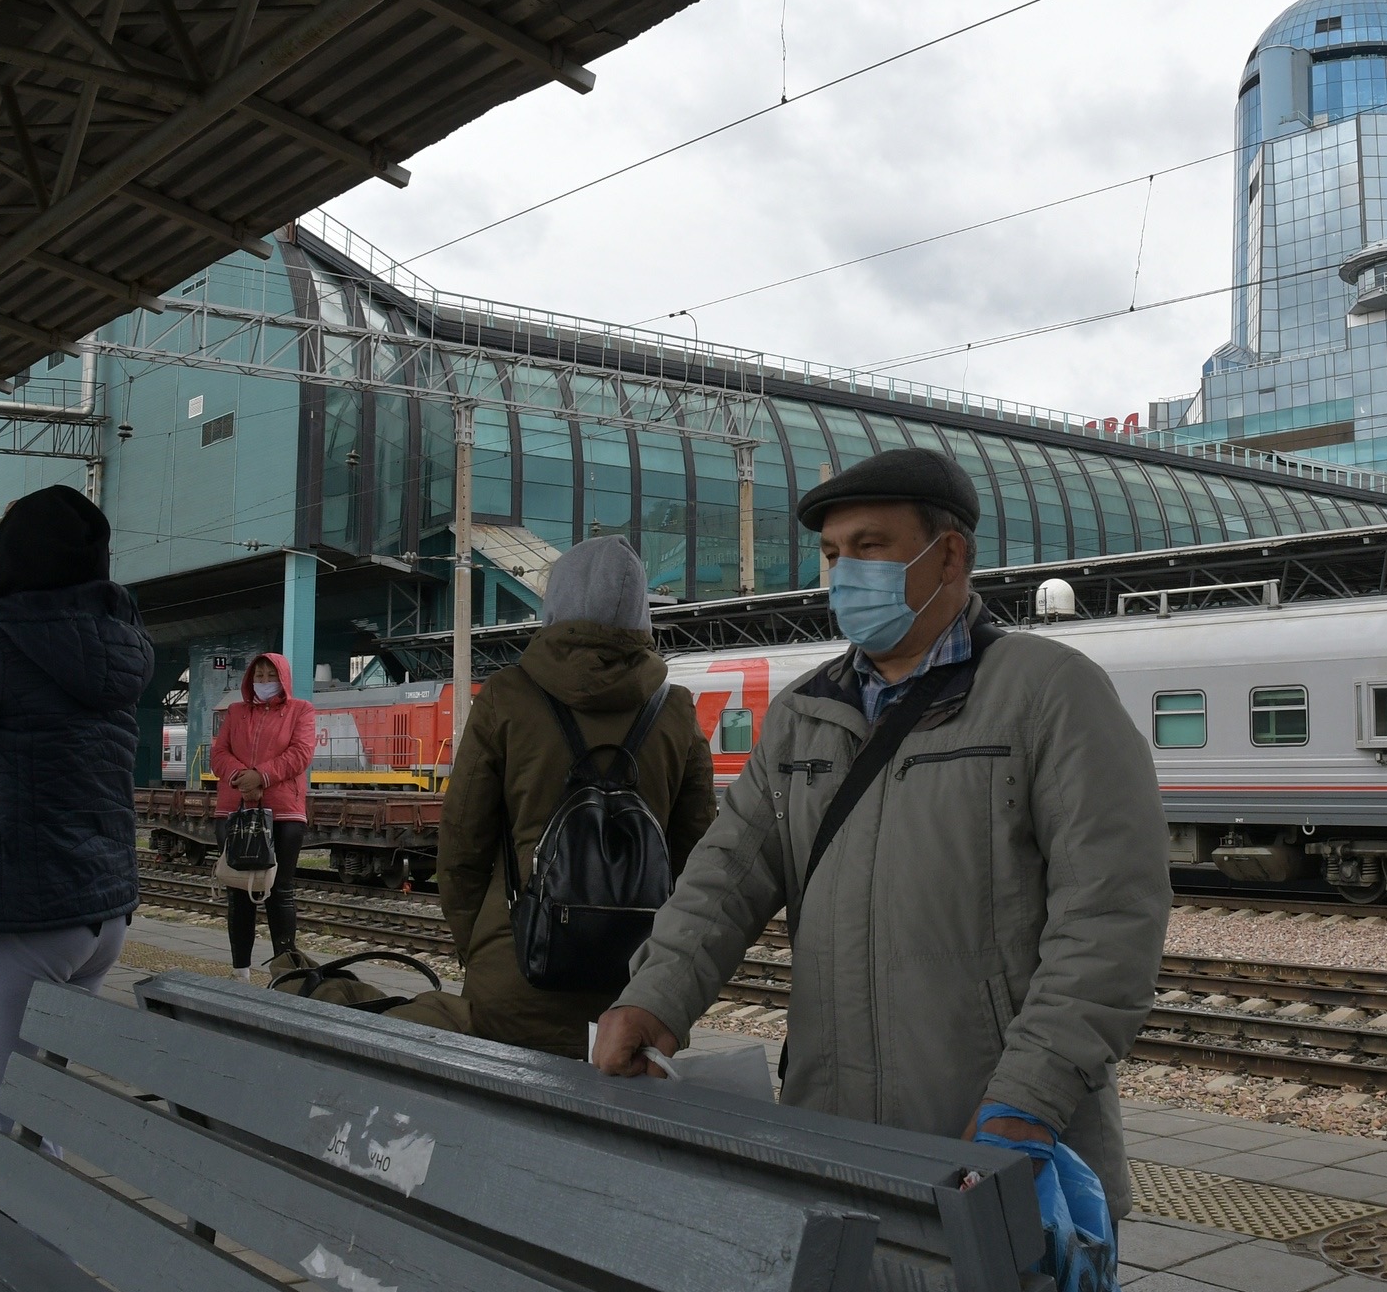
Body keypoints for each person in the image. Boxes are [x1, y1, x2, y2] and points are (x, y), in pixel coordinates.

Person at [592, 450, 1169, 1212]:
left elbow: (1109, 919)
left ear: (950, 553)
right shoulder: (803, 713)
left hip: (1002, 1150)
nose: (843, 574)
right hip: (831, 1146)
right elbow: (723, 878)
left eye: (869, 547)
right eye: (832, 554)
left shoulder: (1049, 694)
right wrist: (654, 997)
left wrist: (1028, 1099)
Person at [0, 485, 151, 1149]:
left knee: (1, 1129)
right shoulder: (120, 644)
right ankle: (48, 1247)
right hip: (99, 912)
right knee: (46, 1112)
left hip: (13, 907)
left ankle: (22, 1251)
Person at [435, 537, 716, 1057]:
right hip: (633, 998)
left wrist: (484, 946)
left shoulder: (506, 696)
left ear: (555, 604)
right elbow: (697, 857)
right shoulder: (675, 710)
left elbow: (461, 846)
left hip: (515, 983)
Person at [209, 650, 317, 982]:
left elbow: (300, 753)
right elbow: (218, 753)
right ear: (249, 680)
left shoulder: (302, 710)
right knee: (238, 890)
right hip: (235, 810)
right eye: (259, 676)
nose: (264, 682)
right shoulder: (235, 712)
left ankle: (284, 972)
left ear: (283, 679)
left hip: (284, 814)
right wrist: (243, 779)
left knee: (279, 891)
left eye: (271, 676)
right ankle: (240, 970)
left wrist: (262, 778)